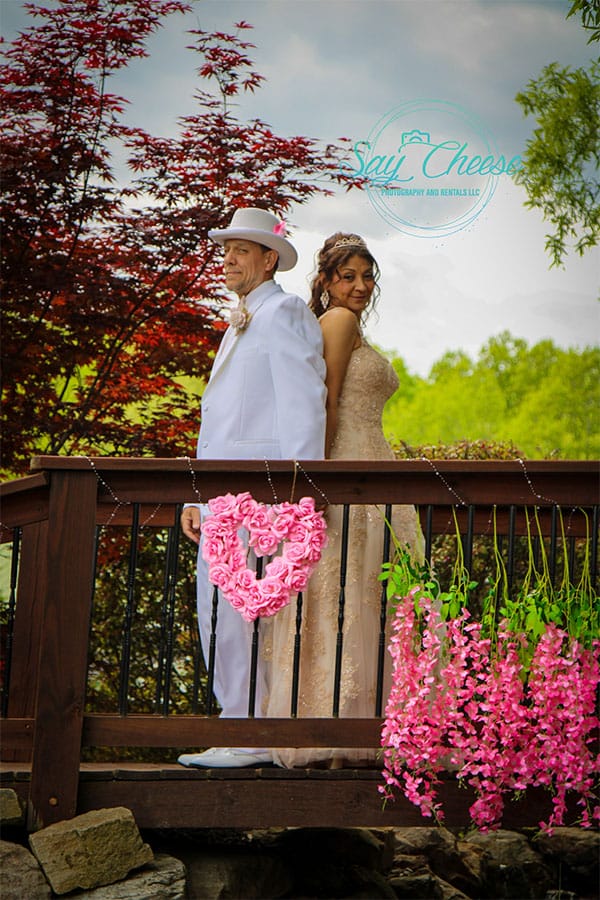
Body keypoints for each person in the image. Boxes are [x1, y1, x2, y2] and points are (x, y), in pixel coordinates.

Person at [267, 232, 424, 768]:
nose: (359, 286)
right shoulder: (338, 321)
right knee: (345, 593)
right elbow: (326, 400)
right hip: (348, 476)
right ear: (327, 281)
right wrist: (320, 480)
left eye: (366, 276)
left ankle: (362, 729)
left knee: (365, 597)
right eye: (347, 276)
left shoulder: (346, 324)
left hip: (373, 471)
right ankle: (336, 734)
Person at [177, 207, 327, 768]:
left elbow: (303, 408)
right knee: (216, 611)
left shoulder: (285, 311)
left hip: (261, 502)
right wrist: (195, 496)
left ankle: (251, 732)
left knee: (245, 616)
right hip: (220, 500)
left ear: (269, 259)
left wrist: (300, 502)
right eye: (226, 249)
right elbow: (220, 419)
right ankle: (236, 725)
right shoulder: (240, 319)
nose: (229, 258)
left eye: (242, 249)